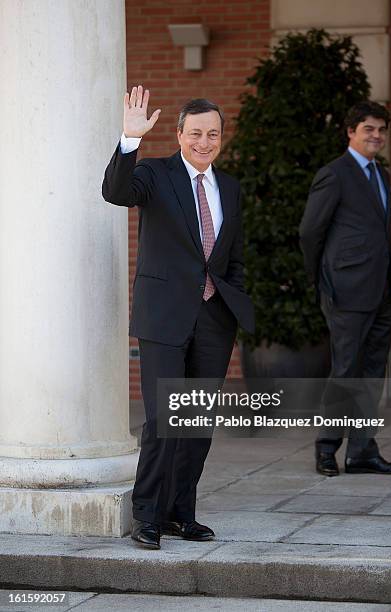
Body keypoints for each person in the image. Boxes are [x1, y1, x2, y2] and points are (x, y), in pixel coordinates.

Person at [102, 85, 254, 548]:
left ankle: (179, 513)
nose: (204, 142)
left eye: (212, 134)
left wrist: (236, 298)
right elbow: (115, 192)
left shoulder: (229, 187)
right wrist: (130, 140)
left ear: (222, 137)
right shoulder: (154, 174)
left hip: (213, 318)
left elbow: (234, 256)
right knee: (163, 419)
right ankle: (145, 515)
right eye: (195, 133)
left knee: (196, 423)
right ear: (179, 133)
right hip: (164, 317)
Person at [299, 100, 391, 477]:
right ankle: (327, 447)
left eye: (381, 129)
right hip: (345, 292)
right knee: (346, 371)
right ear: (351, 132)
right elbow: (310, 232)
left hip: (380, 295)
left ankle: (362, 451)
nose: (376, 136)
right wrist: (323, 282)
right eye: (368, 129)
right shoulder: (335, 174)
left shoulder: (382, 175)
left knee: (372, 374)